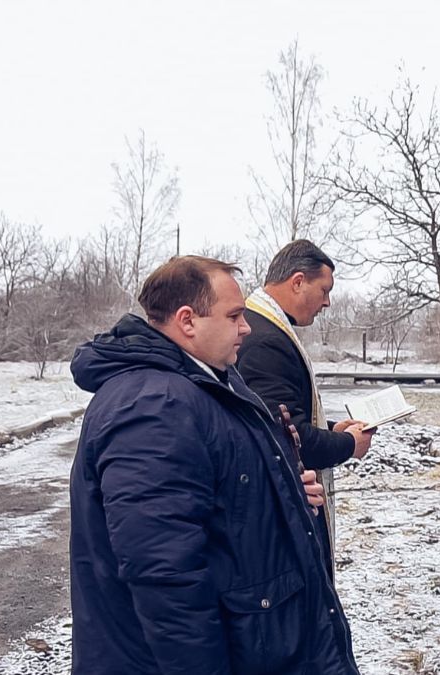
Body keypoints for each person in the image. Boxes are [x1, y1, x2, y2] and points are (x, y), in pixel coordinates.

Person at [69, 255, 359, 675]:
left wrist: (288, 493)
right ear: (188, 321)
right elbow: (165, 576)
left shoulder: (211, 380)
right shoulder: (154, 406)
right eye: (235, 316)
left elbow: (224, 491)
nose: (246, 327)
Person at [237, 240, 375, 563]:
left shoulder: (266, 327)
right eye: (324, 290)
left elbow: (281, 416)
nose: (327, 302)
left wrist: (330, 427)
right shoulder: (266, 341)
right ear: (298, 282)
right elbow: (286, 439)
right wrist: (348, 444)